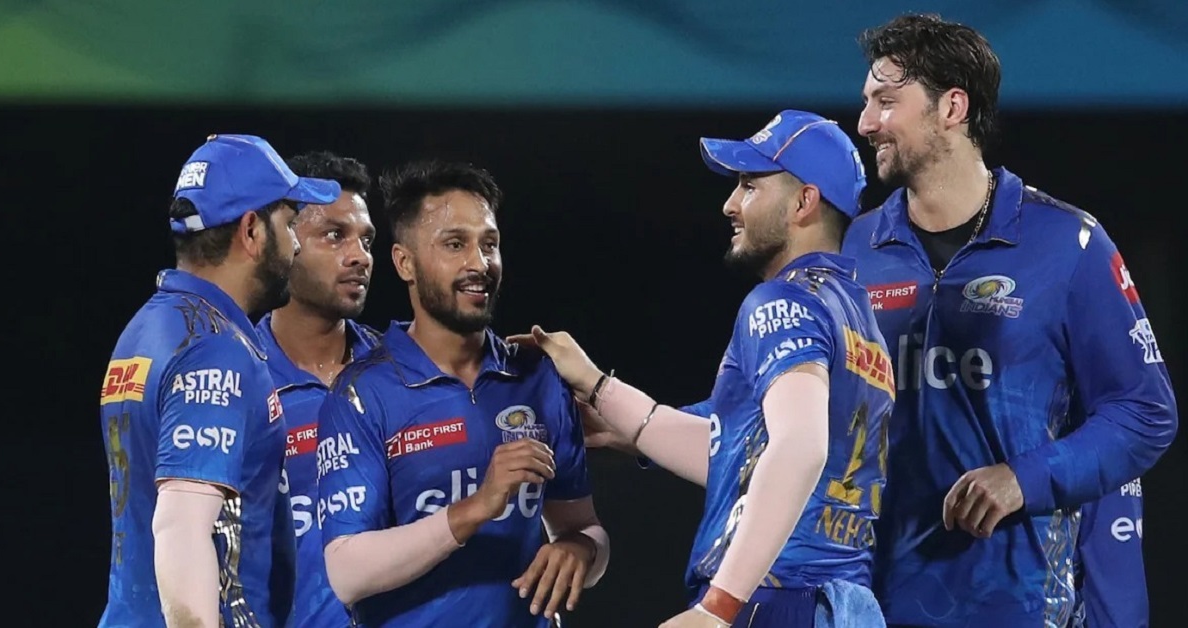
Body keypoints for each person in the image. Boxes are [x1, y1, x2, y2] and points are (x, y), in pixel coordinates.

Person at [842, 14, 1178, 627]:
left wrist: (1024, 479)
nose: (865, 123)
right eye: (868, 102)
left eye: (886, 102)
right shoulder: (856, 249)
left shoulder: (1068, 244)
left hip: (1017, 607)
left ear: (952, 107)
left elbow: (1144, 411)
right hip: (873, 606)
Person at [513, 110, 891, 628]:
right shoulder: (859, 319)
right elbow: (735, 454)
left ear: (804, 201)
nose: (730, 204)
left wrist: (718, 606)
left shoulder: (782, 302)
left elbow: (800, 447)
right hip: (840, 606)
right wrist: (601, 390)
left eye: (750, 185)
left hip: (775, 597)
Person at [314, 159, 610, 627]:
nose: (479, 264)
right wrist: (475, 508)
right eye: (455, 244)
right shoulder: (361, 393)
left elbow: (584, 527)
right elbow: (348, 573)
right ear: (404, 263)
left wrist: (580, 549)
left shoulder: (538, 376)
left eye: (489, 244)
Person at [98, 134, 340, 626]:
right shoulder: (214, 350)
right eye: (289, 223)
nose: (295, 244)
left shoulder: (146, 329)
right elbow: (181, 530)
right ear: (251, 231)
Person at [253, 150, 381, 627]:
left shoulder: (401, 372)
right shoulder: (241, 377)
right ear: (285, 241)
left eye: (366, 239)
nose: (359, 256)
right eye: (334, 235)